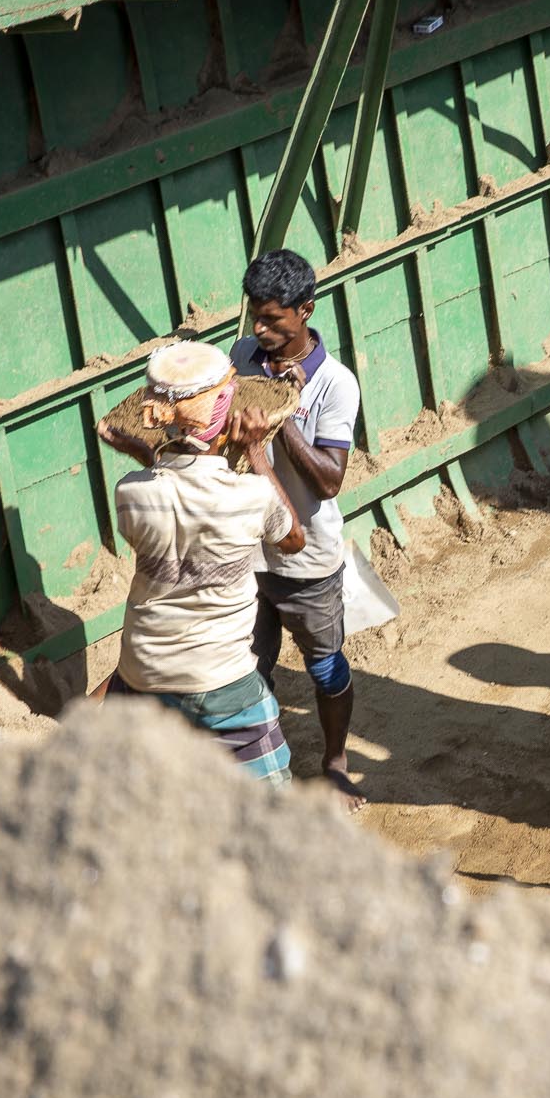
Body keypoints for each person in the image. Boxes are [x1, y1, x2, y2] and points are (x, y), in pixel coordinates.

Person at [95, 341, 305, 784]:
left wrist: (145, 456)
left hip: (143, 672)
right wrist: (254, 454)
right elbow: (292, 539)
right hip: (221, 680)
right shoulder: (250, 496)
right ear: (226, 414)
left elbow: (165, 485)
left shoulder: (130, 493)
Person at [228, 249, 366, 800]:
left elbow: (329, 481)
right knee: (247, 668)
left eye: (271, 319)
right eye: (253, 317)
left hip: (306, 560)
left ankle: (335, 759)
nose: (258, 330)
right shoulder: (240, 355)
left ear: (304, 310)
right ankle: (260, 771)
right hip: (245, 553)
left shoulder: (335, 384)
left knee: (325, 667)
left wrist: (281, 416)